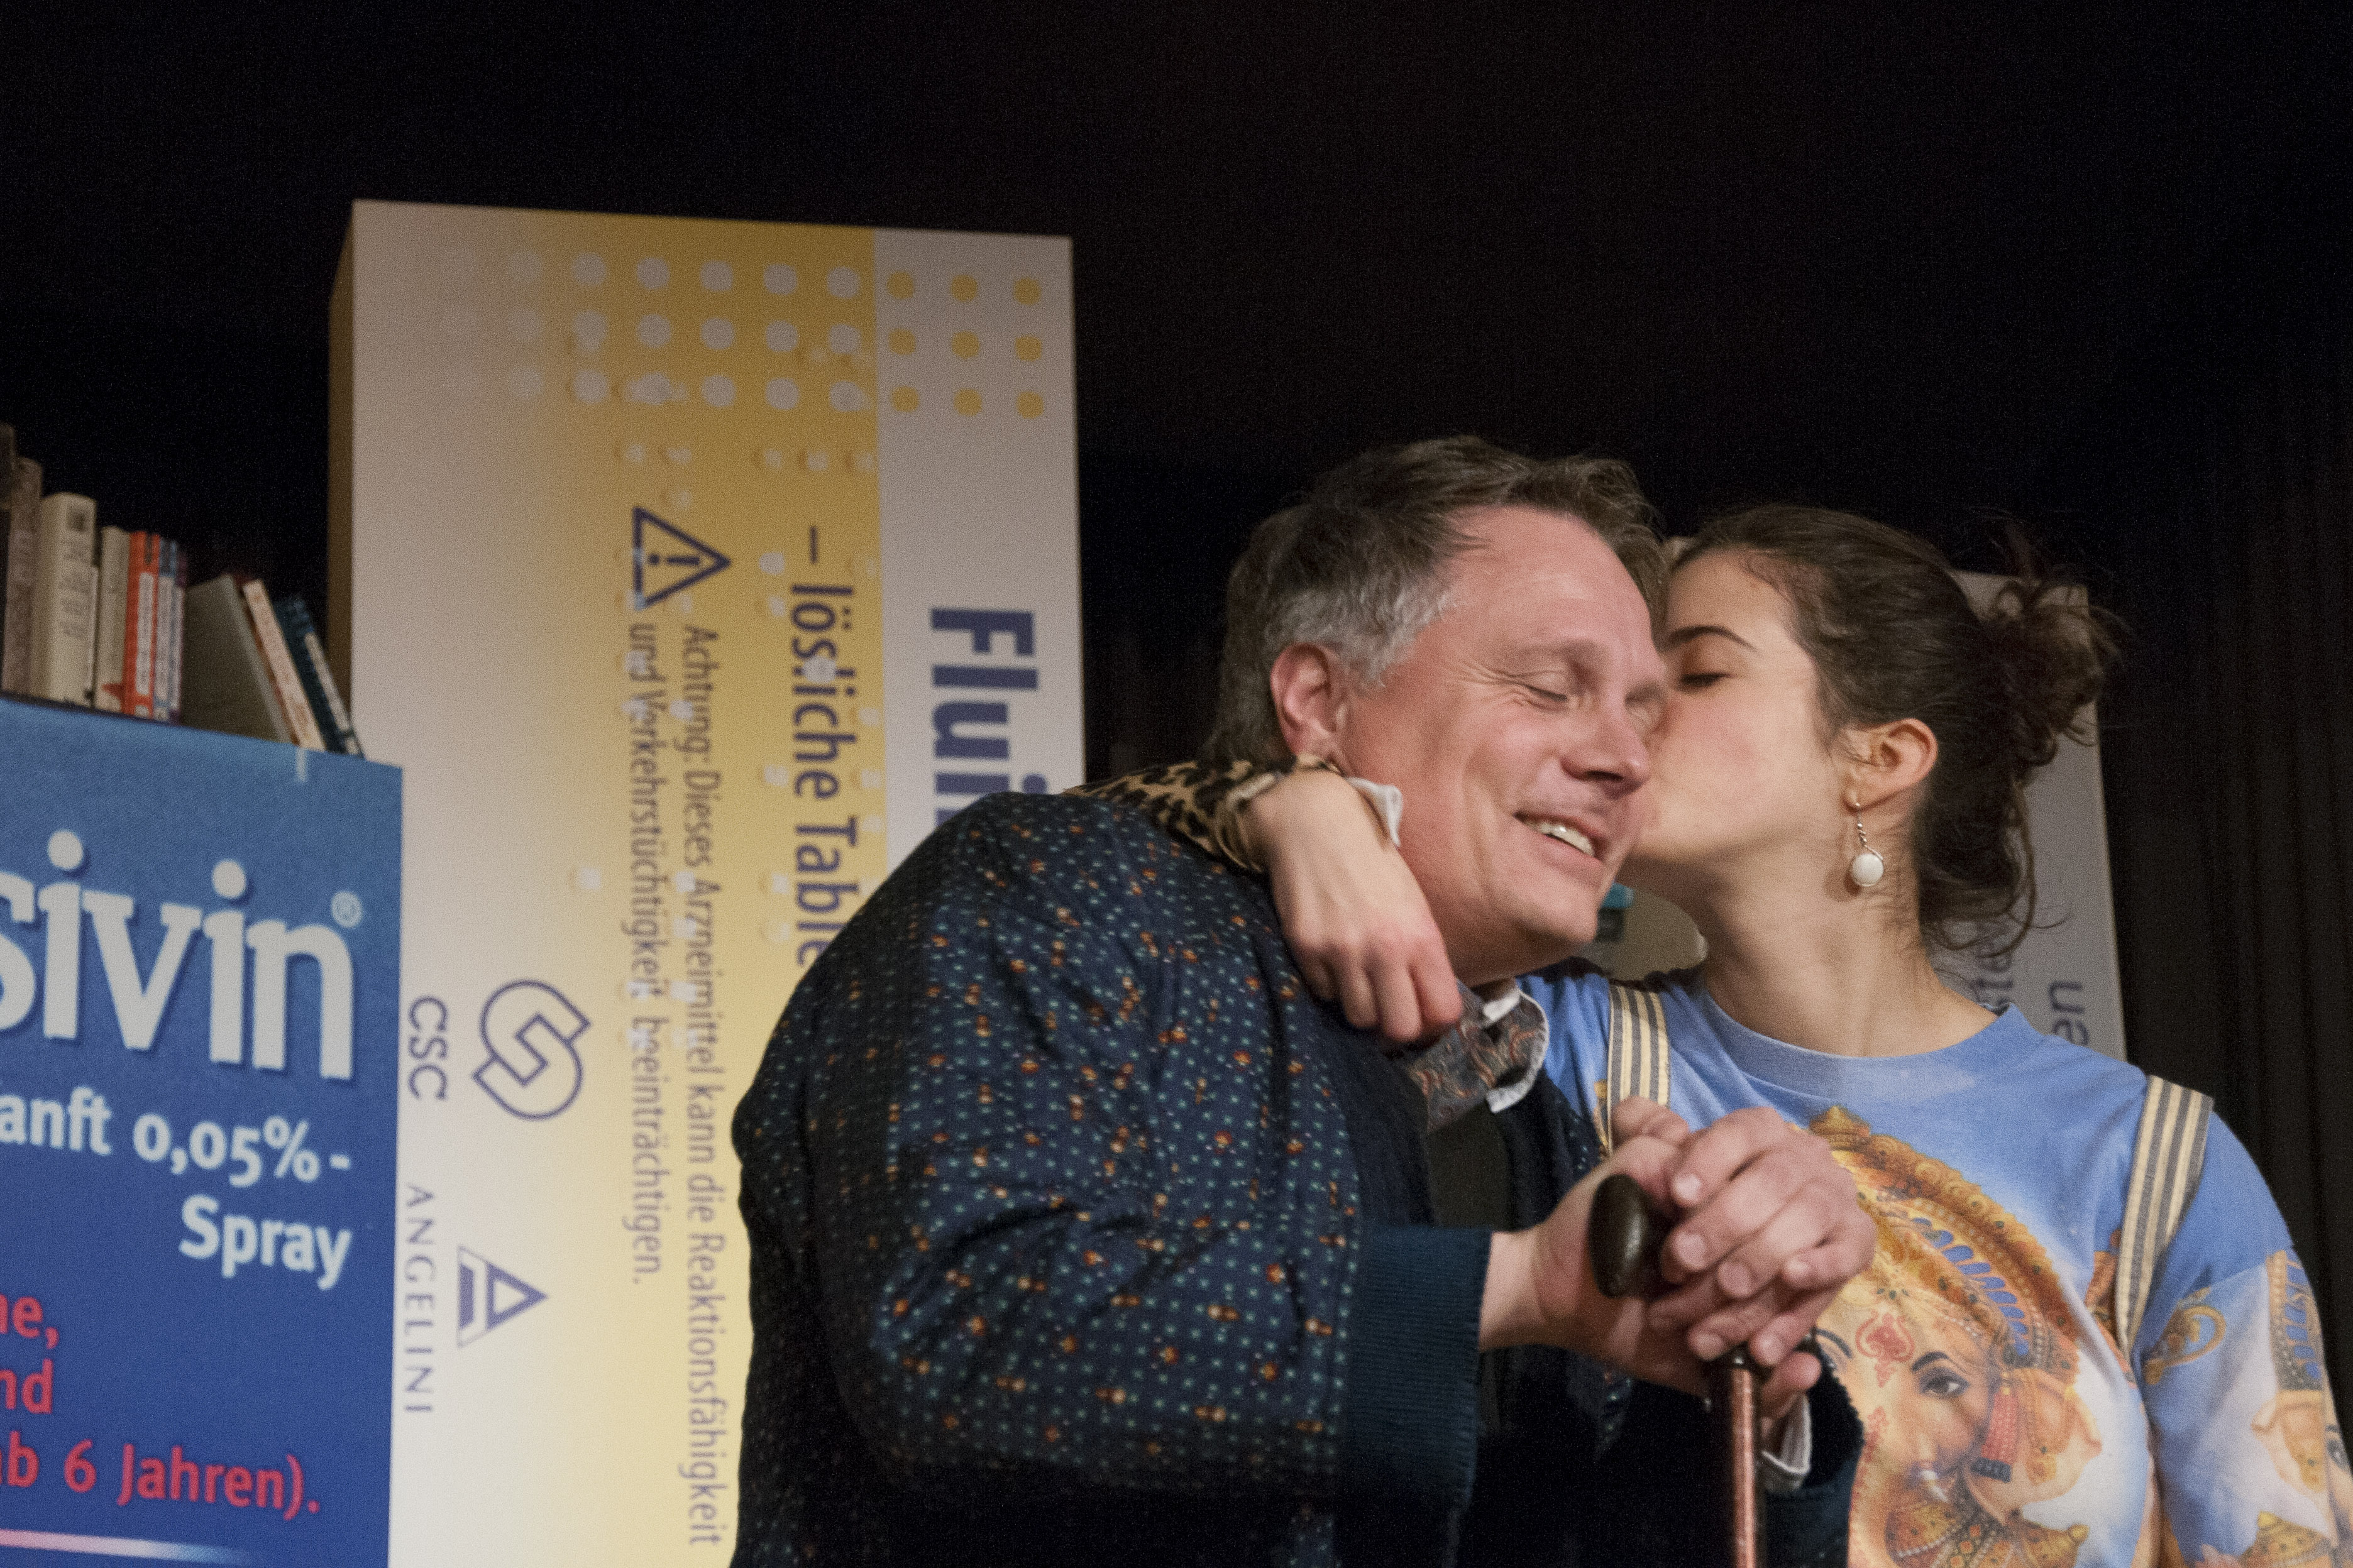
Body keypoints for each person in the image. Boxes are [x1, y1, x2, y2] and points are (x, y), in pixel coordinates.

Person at [1120, 503, 2353, 1566]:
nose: (1627, 723)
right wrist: (1277, 802)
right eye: (1609, 684)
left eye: (1693, 676)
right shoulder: (1548, 1050)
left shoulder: (2153, 1158)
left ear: (1881, 759)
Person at [730, 441, 1876, 1568]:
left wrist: (1750, 1379)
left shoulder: (1553, 1120)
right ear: (1319, 701)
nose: (1626, 759)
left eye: (1643, 714)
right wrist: (1513, 1288)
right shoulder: (1057, 892)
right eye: (1549, 688)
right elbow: (964, 1334)